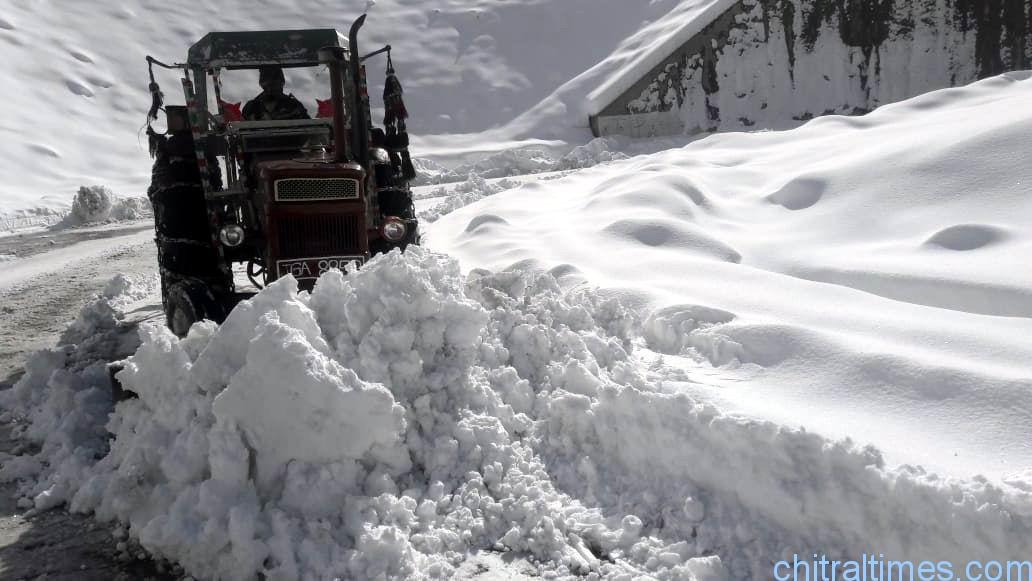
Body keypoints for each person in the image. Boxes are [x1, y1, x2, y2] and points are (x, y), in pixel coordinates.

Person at [242, 66, 310, 121]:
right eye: (266, 82)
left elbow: (310, 131)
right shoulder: (252, 107)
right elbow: (240, 132)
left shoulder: (293, 105)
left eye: (275, 82)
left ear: (281, 82)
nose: (270, 88)